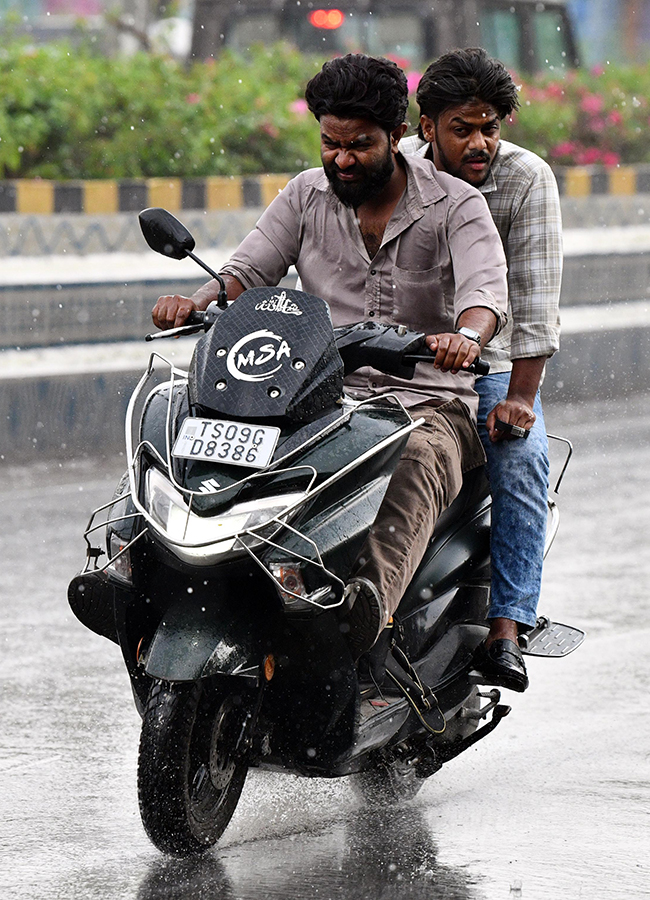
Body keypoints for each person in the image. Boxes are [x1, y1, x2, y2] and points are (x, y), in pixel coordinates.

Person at [152, 53, 508, 663]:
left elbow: (485, 294)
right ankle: (143, 564)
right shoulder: (305, 194)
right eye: (330, 143)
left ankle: (363, 609)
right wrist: (199, 300)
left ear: (397, 134)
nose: (341, 159)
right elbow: (247, 270)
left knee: (416, 458)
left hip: (428, 403)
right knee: (179, 419)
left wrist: (467, 337)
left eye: (359, 145)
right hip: (313, 396)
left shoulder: (456, 206)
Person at [400, 47, 562, 691]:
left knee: (521, 459)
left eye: (489, 128)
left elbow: (535, 298)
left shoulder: (526, 180)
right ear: (427, 126)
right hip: (399, 360)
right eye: (461, 129)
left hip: (491, 364)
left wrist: (519, 397)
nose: (479, 143)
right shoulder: (397, 169)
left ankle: (508, 627)